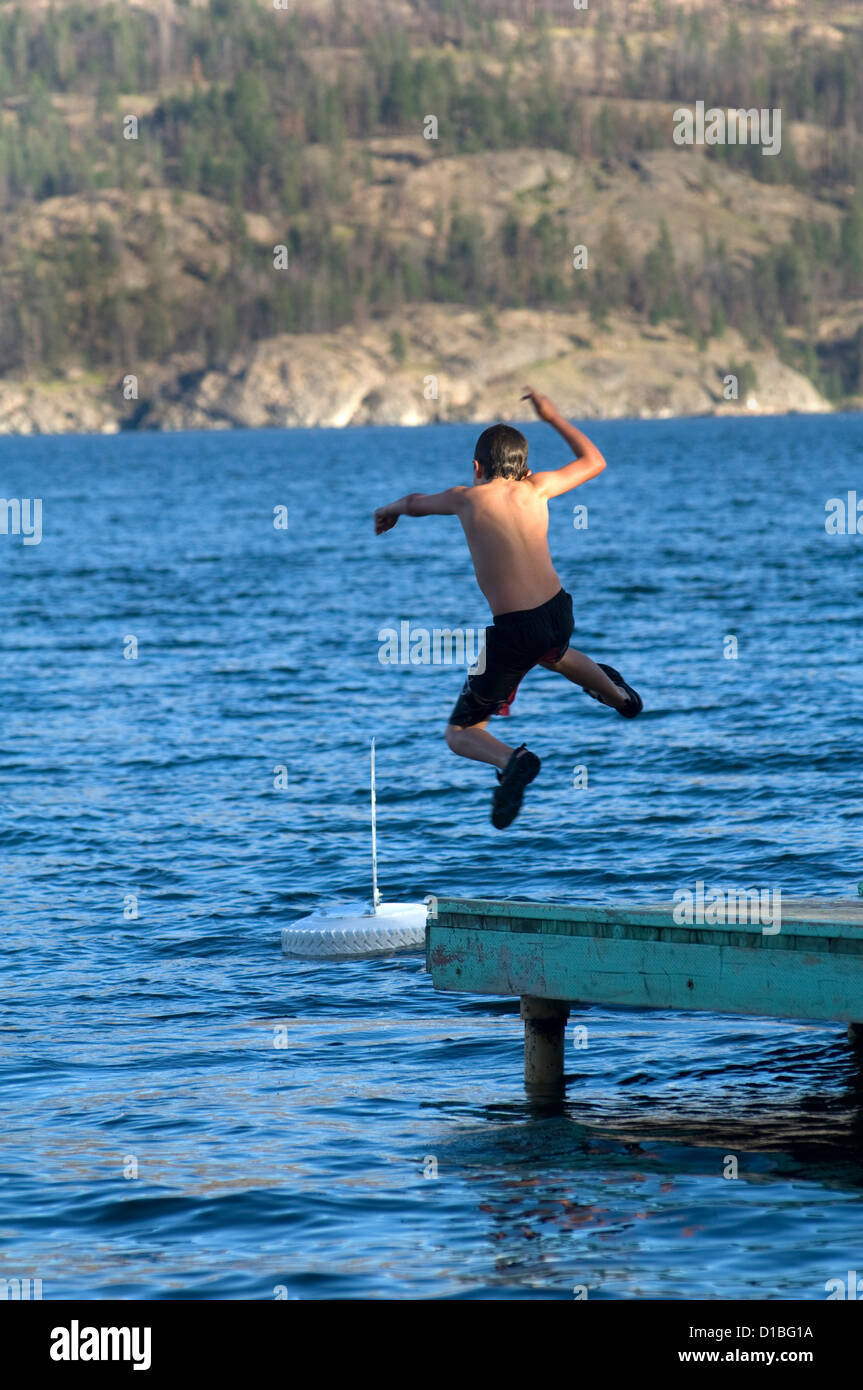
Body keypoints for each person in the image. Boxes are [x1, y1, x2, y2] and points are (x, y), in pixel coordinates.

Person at [373, 388, 642, 829]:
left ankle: (513, 761)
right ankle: (620, 697)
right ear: (525, 469)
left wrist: (389, 511)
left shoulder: (466, 497)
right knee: (553, 653)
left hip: (513, 632)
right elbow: (595, 461)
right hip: (559, 612)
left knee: (459, 734)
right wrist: (553, 415)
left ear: (477, 469)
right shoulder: (538, 487)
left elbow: (416, 502)